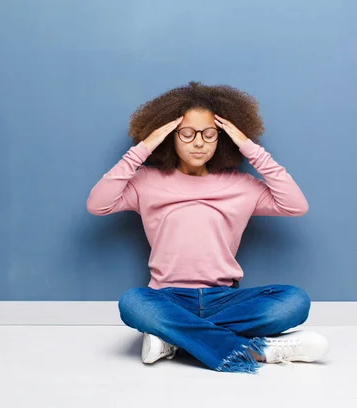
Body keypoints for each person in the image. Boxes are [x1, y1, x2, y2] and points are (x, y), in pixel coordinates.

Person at [86, 81, 329, 374]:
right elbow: (98, 204)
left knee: (294, 302)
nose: (198, 142)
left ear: (221, 138)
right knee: (132, 303)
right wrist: (143, 147)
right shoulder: (146, 181)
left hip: (225, 299)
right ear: (170, 136)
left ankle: (175, 341)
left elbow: (295, 205)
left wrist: (248, 146)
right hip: (167, 297)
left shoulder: (241, 187)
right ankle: (260, 350)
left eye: (209, 134)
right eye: (186, 133)